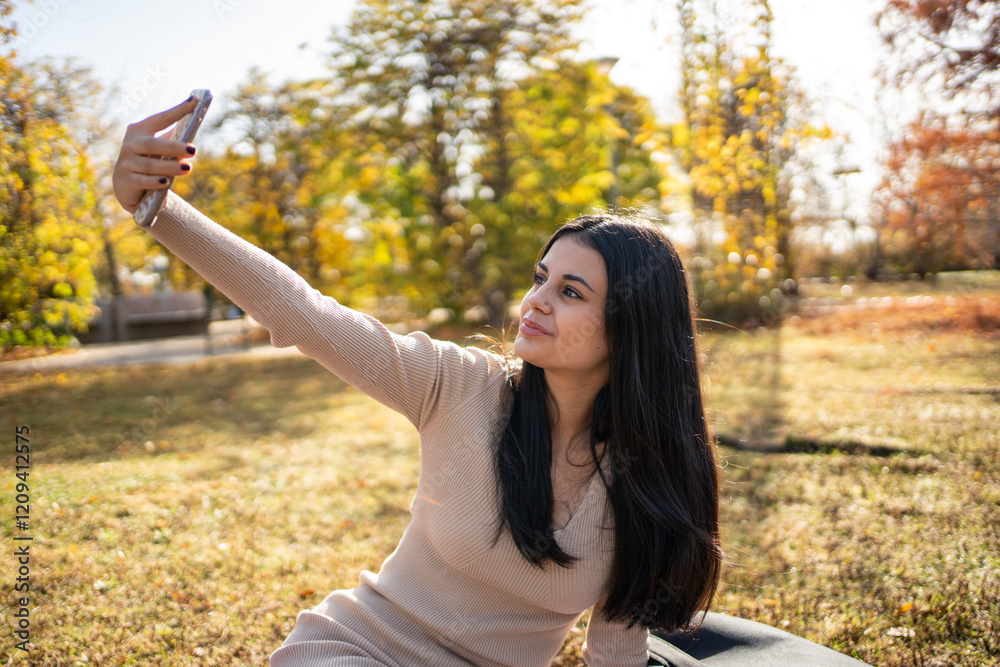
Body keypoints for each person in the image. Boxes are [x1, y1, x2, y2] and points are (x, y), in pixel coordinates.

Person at [114, 97, 862, 667]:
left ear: (631, 328)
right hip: (356, 651)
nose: (535, 301)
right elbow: (304, 312)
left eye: (571, 291)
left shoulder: (651, 479)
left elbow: (615, 649)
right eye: (541, 277)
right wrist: (160, 212)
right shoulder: (459, 385)